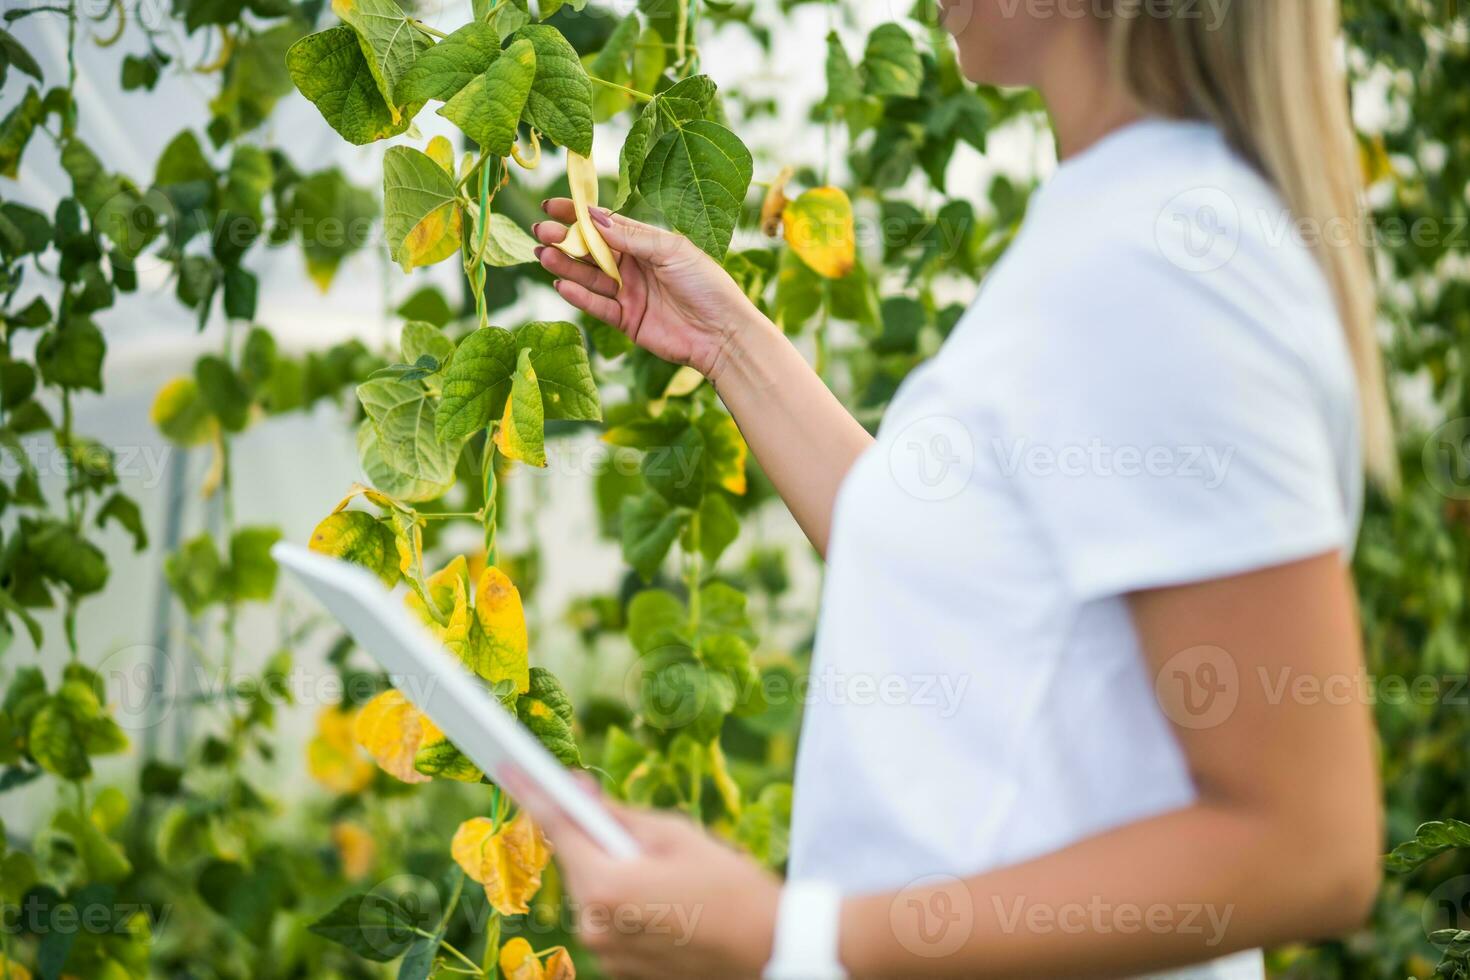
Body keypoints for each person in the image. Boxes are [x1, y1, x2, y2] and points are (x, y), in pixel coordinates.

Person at [518, 0, 1390, 976]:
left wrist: (792, 938)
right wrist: (728, 345)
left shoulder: (1166, 264)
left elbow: (1306, 845)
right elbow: (954, 579)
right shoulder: (1114, 223)